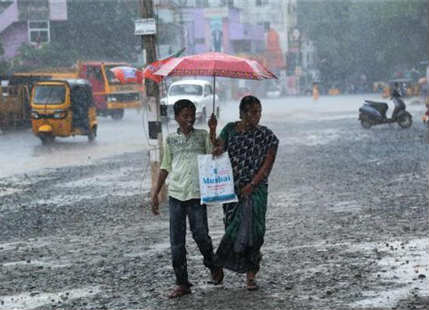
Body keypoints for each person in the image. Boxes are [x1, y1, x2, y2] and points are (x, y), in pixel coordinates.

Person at [151, 99, 223, 299]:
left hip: (197, 194)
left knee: (201, 235)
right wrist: (156, 193)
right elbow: (165, 167)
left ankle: (212, 264)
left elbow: (215, 152)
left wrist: (213, 131)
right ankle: (182, 282)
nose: (189, 118)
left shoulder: (202, 136)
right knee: (177, 241)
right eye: (185, 115)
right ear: (176, 118)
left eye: (192, 114)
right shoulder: (171, 140)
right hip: (176, 194)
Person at [211, 95, 279, 291]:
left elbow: (268, 164)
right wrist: (213, 129)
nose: (257, 116)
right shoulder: (230, 130)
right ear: (242, 113)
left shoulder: (267, 136)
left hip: (256, 191)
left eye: (259, 112)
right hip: (232, 190)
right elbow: (217, 149)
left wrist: (252, 184)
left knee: (255, 231)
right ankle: (221, 265)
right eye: (252, 112)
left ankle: (251, 275)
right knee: (233, 228)